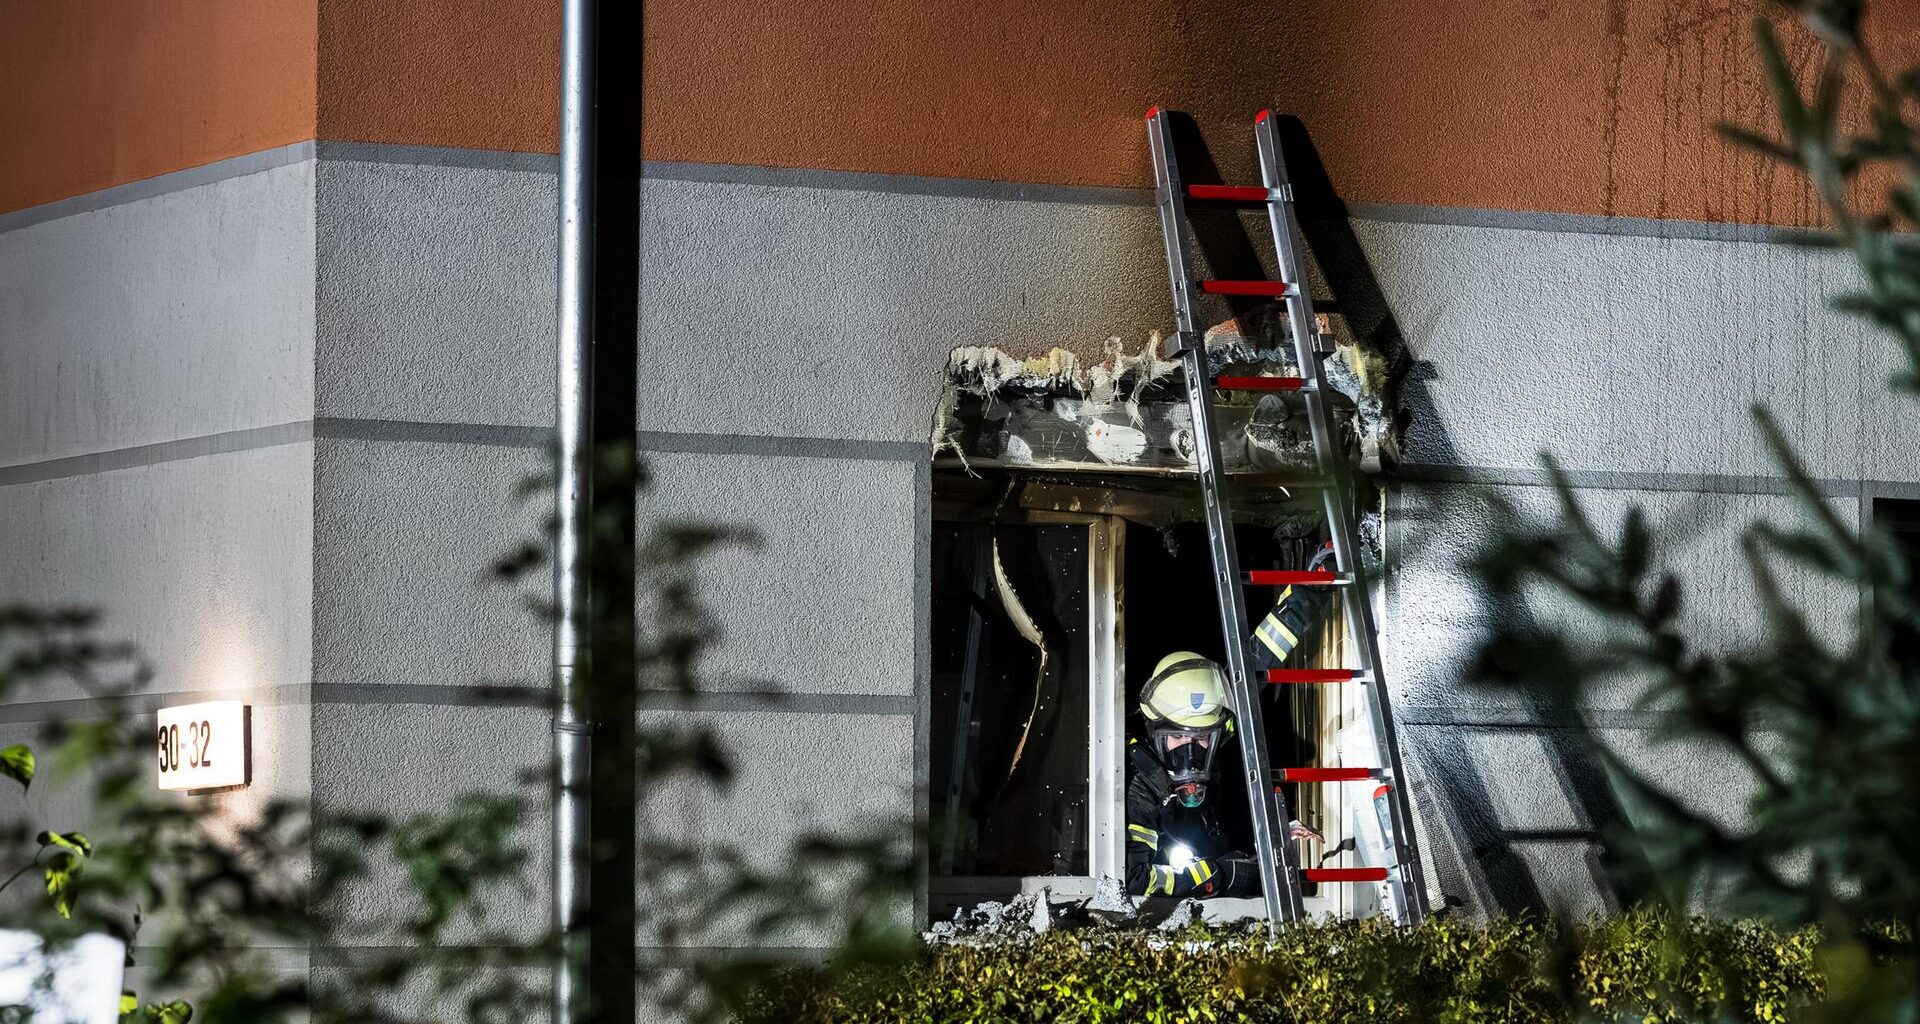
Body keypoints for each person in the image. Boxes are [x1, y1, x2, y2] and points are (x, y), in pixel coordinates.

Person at [1127, 544, 1336, 899]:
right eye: (1176, 738)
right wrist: (1217, 875)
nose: (1190, 753)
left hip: (1212, 840)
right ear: (1154, 731)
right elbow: (1135, 878)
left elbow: (1261, 653)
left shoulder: (1216, 720)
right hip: (1187, 875)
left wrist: (1311, 586)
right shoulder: (1138, 786)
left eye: (1201, 739)